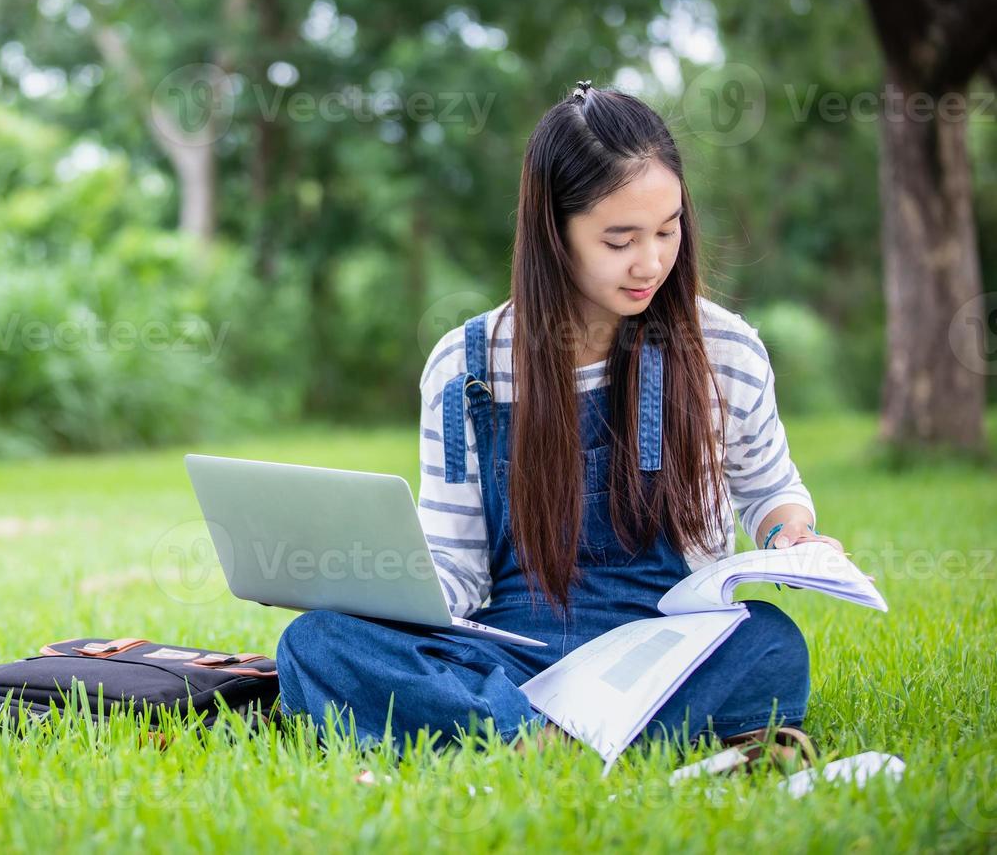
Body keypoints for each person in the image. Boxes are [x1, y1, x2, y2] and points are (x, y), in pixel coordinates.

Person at [274, 80, 847, 761]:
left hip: (663, 648)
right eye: (619, 239)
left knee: (770, 644)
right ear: (553, 231)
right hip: (512, 652)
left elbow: (768, 488)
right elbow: (453, 567)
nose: (652, 262)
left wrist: (793, 537)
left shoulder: (725, 350)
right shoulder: (467, 366)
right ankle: (560, 735)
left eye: (668, 230)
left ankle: (511, 736)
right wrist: (373, 589)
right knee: (317, 641)